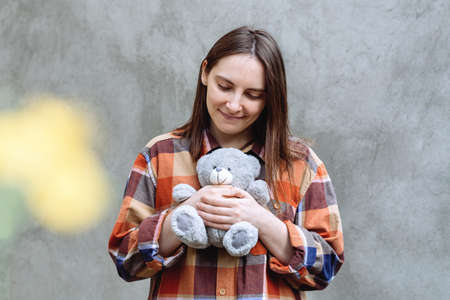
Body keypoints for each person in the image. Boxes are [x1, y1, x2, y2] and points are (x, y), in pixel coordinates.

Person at [108, 26, 344, 299]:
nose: (234, 105)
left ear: (270, 97)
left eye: (252, 95)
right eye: (225, 86)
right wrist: (185, 214)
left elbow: (327, 267)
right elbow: (124, 258)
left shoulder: (301, 164)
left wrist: (261, 221)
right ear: (205, 72)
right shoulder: (159, 155)